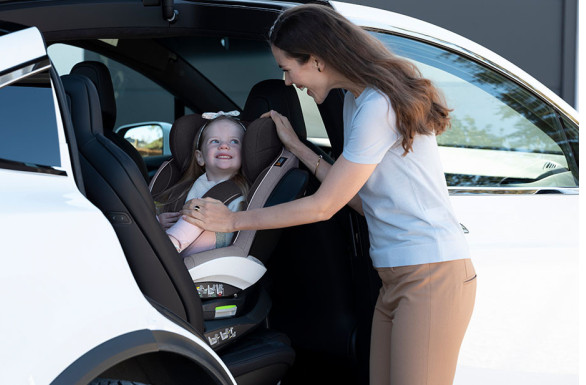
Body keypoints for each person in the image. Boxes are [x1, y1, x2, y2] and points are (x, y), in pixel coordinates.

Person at [181, 4, 476, 385]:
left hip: (430, 273)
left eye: (287, 69)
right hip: (394, 277)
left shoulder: (378, 104)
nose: (287, 82)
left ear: (317, 61)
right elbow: (357, 200)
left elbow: (325, 206)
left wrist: (234, 219)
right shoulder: (358, 100)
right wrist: (300, 149)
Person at [156, 114, 248, 257]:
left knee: (201, 211)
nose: (224, 145)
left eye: (234, 141)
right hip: (180, 253)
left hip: (210, 256)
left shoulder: (238, 192)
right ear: (200, 157)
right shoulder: (187, 187)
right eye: (215, 141)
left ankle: (167, 247)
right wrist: (157, 222)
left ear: (245, 155)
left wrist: (169, 243)